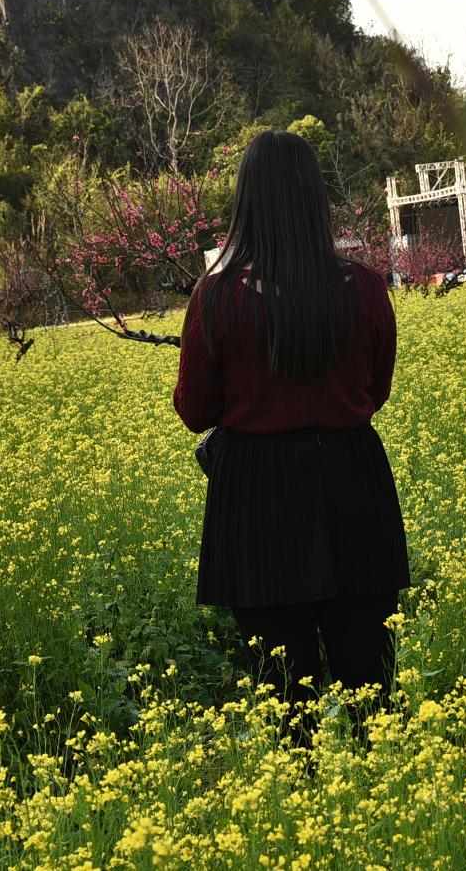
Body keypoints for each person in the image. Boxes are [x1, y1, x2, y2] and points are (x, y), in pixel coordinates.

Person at [173, 129, 408, 726]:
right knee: (373, 701)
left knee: (285, 708)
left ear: (247, 200)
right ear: (315, 200)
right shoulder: (366, 290)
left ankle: (300, 808)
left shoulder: (218, 298)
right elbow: (372, 394)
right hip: (354, 487)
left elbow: (195, 411)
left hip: (258, 502)